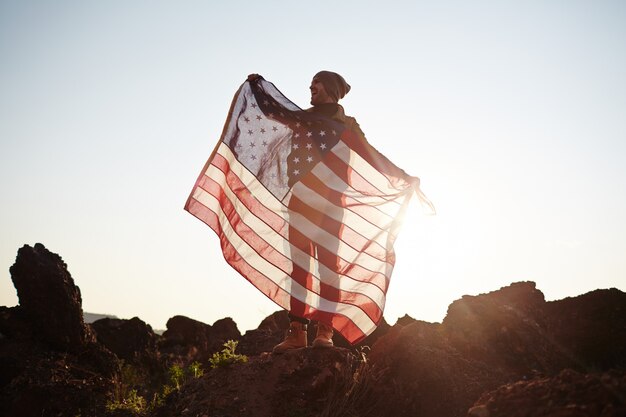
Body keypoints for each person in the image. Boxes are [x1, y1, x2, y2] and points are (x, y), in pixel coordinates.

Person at [247, 71, 418, 353]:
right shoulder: (303, 117)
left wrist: (403, 176)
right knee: (300, 269)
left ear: (330, 88)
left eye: (316, 82)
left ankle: (324, 332)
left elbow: (370, 154)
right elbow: (274, 111)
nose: (311, 87)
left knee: (329, 268)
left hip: (331, 205)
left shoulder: (346, 126)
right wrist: (258, 88)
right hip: (301, 202)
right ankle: (297, 332)